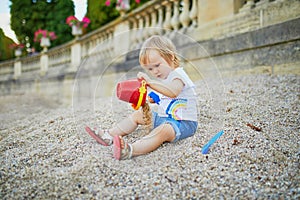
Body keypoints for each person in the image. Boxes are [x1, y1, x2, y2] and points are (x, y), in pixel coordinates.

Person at [85, 35, 198, 160]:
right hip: (167, 118)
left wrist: (150, 82)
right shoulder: (165, 80)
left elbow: (173, 92)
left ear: (170, 57)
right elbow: (165, 97)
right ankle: (109, 135)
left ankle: (130, 150)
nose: (154, 71)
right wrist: (151, 98)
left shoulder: (178, 75)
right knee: (139, 114)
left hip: (185, 124)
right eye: (150, 69)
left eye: (157, 65)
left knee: (164, 130)